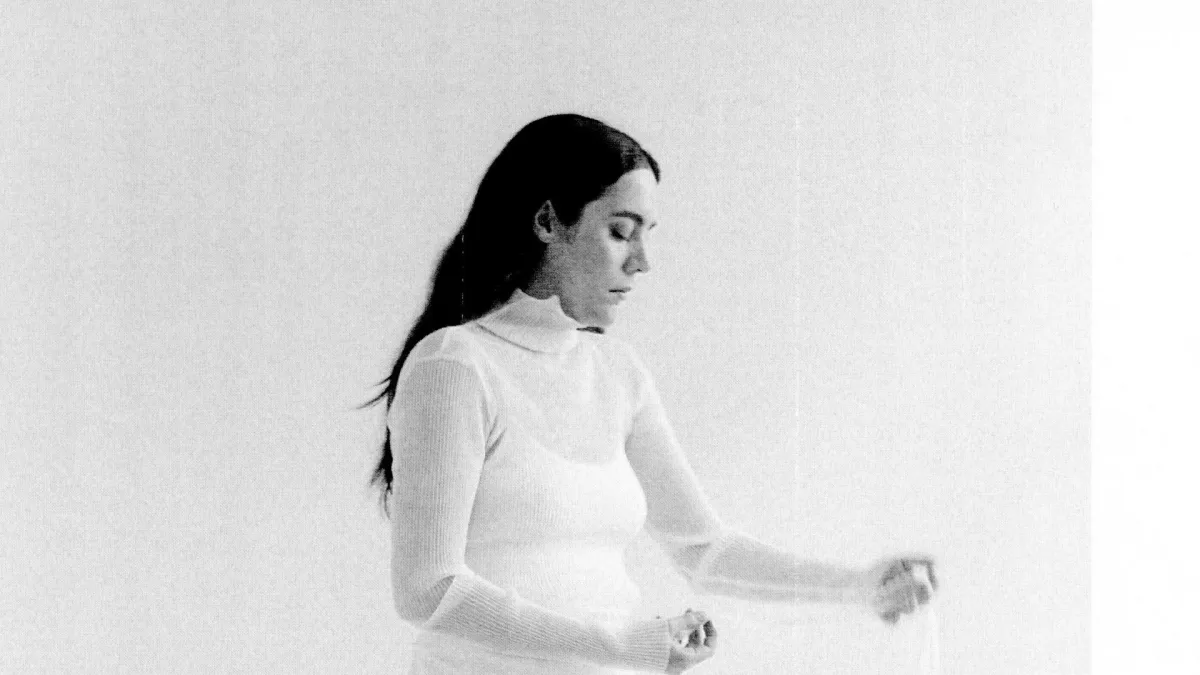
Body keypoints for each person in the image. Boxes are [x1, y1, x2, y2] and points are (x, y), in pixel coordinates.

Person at [369, 113, 937, 675]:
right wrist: (621, 646)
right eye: (621, 231)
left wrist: (860, 586)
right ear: (547, 222)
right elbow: (428, 588)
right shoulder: (454, 366)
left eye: (647, 235)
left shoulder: (617, 373)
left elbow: (703, 550)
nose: (642, 262)